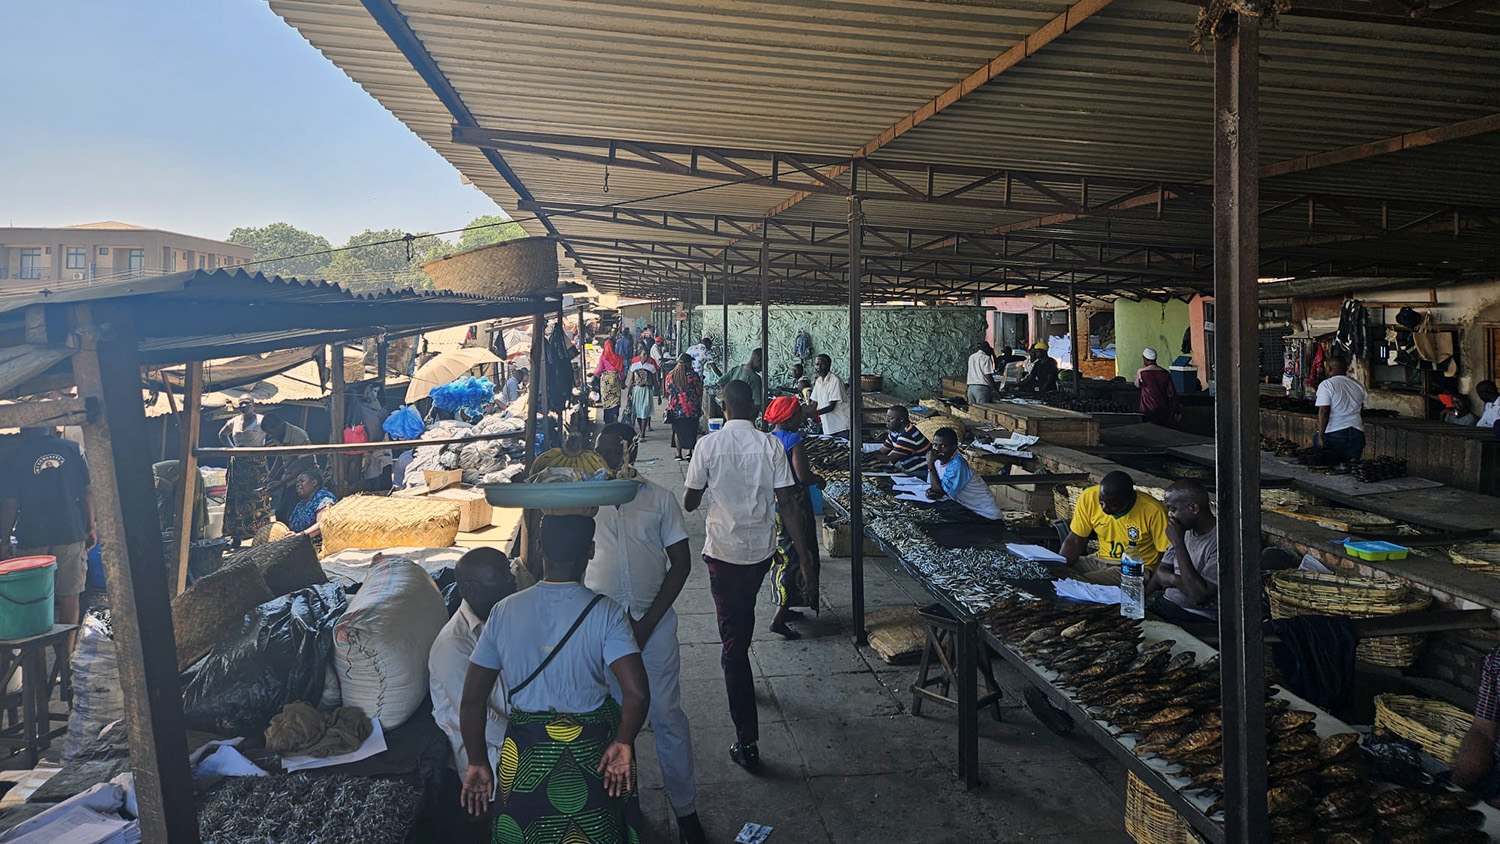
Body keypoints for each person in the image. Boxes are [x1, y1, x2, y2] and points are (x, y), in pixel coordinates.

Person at [460, 515, 650, 842]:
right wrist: (622, 740)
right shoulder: (606, 613)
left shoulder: (503, 611)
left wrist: (477, 760)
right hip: (592, 755)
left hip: (524, 757)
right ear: (590, 551)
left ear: (539, 549)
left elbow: (472, 700)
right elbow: (637, 694)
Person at [683, 380, 814, 772]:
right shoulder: (771, 444)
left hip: (723, 552)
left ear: (723, 407)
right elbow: (788, 502)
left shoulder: (708, 445)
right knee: (741, 621)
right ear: (754, 408)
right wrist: (805, 557)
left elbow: (690, 501)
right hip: (760, 552)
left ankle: (747, 741)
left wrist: (708, 485)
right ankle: (738, 667)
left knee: (733, 642)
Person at [586, 425, 707, 844]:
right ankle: (626, 808)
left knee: (667, 716)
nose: (605, 460)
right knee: (616, 724)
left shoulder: (658, 499)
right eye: (598, 451)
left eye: (612, 450)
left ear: (630, 449)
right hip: (602, 633)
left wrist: (647, 624)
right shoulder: (587, 503)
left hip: (652, 627)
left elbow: (681, 564)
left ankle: (685, 810)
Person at [430, 547, 517, 843]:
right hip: (487, 757)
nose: (512, 582)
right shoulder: (454, 645)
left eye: (508, 573)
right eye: (501, 578)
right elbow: (481, 717)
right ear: (469, 588)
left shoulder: (502, 617)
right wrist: (535, 738)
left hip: (512, 741)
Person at [0, 427, 96, 638]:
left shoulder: (13, 458)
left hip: (32, 536)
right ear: (52, 429)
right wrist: (91, 526)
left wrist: (4, 539)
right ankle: (66, 657)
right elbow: (88, 491)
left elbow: (9, 503)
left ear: (23, 431)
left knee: (32, 601)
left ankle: (35, 662)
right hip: (70, 532)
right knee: (69, 597)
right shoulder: (73, 450)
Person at [763, 397, 824, 640]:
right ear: (788, 418)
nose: (801, 418)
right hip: (794, 502)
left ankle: (786, 607)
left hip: (773, 502)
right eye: (798, 415)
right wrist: (818, 479)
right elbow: (802, 475)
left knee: (782, 554)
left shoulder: (767, 438)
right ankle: (779, 617)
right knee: (799, 555)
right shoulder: (794, 440)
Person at [1059, 471, 1170, 585]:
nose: (1105, 509)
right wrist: (1059, 567)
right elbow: (1075, 540)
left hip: (1134, 568)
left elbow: (1166, 556)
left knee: (1079, 583)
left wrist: (1152, 587)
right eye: (1101, 502)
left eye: (1114, 506)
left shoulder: (1154, 511)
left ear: (1130, 499)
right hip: (1099, 559)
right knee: (1052, 571)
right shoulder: (1089, 497)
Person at [1145, 480, 1219, 624]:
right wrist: (1141, 601)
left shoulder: (1221, 541)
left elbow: (1198, 595)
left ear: (1193, 508)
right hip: (1166, 603)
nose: (1170, 516)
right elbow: (1161, 572)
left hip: (1195, 616)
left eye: (1172, 509)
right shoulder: (1183, 529)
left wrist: (1178, 544)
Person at [219, 397, 271, 547]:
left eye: (247, 403)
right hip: (238, 466)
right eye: (240, 403)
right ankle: (236, 537)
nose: (243, 405)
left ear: (254, 405)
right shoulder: (234, 421)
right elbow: (222, 435)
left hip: (256, 466)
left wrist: (265, 449)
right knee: (236, 499)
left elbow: (275, 435)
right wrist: (232, 450)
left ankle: (261, 537)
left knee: (257, 498)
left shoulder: (261, 421)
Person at [924, 427, 1001, 520]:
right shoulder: (936, 462)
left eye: (943, 446)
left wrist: (930, 465)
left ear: (954, 447)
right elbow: (934, 487)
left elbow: (940, 492)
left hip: (985, 515)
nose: (937, 449)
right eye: (935, 445)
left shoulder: (957, 464)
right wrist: (930, 492)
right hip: (966, 509)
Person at [261, 412, 316, 525]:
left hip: (304, 479)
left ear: (279, 426)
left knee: (292, 515)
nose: (271, 436)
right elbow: (280, 457)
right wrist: (270, 476)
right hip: (289, 479)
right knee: (281, 514)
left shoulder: (298, 435)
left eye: (271, 432)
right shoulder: (278, 435)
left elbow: (305, 463)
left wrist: (280, 483)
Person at [1315, 356, 1368, 463]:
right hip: (1357, 433)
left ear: (1329, 368)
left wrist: (1320, 436)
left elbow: (1324, 411)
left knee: (1328, 468)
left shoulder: (1327, 385)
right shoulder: (1357, 385)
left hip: (1334, 434)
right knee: (1350, 469)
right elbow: (1360, 408)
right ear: (1346, 369)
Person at [152, 460, 207, 542]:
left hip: (175, 473)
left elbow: (163, 485)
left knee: (189, 509)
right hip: (156, 476)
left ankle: (195, 540)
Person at [664, 353, 705, 462]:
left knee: (677, 431)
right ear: (687, 363)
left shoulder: (670, 375)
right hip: (691, 409)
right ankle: (689, 452)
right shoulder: (693, 376)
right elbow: (699, 391)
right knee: (691, 430)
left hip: (676, 409)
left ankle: (678, 454)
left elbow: (668, 390)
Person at [869, 406, 931, 472]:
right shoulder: (895, 431)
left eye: (891, 418)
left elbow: (891, 459)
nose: (887, 420)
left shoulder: (908, 434)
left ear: (901, 420)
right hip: (910, 470)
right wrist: (866, 456)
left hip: (922, 472)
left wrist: (867, 458)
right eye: (887, 417)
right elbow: (882, 451)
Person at [286, 470, 338, 540]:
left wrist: (300, 535)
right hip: (301, 541)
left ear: (314, 483)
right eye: (297, 482)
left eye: (302, 481)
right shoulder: (301, 504)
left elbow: (322, 524)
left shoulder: (324, 497)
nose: (298, 484)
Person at [1135, 347, 1180, 426]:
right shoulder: (1165, 373)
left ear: (1144, 359)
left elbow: (1137, 385)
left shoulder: (1141, 372)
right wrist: (1176, 410)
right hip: (1163, 408)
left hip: (1147, 409)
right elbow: (1172, 393)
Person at [808, 354, 850, 438]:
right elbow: (813, 404)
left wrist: (813, 413)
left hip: (841, 426)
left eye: (822, 364)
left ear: (828, 365)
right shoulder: (819, 381)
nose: (819, 367)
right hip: (828, 426)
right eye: (817, 364)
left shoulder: (835, 380)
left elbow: (831, 406)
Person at [721, 348, 766, 415]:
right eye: (764, 363)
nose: (763, 368)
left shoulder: (737, 369)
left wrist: (727, 397)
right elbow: (757, 404)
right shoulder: (755, 378)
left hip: (732, 412)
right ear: (759, 359)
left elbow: (721, 382)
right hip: (745, 416)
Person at [628, 346, 658, 440]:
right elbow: (631, 380)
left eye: (647, 354)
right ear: (639, 355)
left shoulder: (651, 367)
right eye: (644, 354)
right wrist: (628, 393)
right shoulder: (634, 366)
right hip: (637, 390)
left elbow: (655, 381)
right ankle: (641, 429)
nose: (646, 356)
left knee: (644, 411)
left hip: (647, 390)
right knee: (637, 412)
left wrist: (658, 393)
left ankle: (643, 433)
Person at [595, 338, 626, 425]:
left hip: (606, 381)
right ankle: (615, 414)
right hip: (615, 380)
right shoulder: (619, 358)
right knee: (615, 399)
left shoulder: (603, 357)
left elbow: (599, 370)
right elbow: (622, 372)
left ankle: (608, 419)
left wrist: (593, 374)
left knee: (606, 400)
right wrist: (622, 381)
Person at [966, 341, 998, 405]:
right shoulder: (986, 358)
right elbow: (988, 375)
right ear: (986, 348)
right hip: (982, 389)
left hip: (971, 388)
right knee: (981, 410)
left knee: (972, 410)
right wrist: (995, 390)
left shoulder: (972, 357)